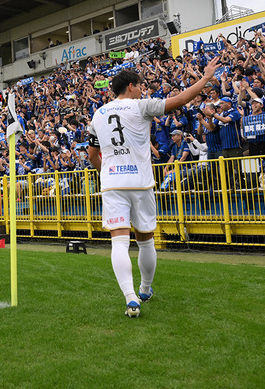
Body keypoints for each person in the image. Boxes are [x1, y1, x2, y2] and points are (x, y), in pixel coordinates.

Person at [87, 56, 218, 318]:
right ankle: (145, 289)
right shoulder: (140, 106)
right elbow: (180, 100)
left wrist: (106, 174)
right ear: (132, 86)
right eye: (141, 85)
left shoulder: (98, 115)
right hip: (140, 182)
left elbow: (92, 154)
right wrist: (204, 79)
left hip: (113, 184)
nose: (143, 88)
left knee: (119, 242)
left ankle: (130, 298)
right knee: (146, 241)